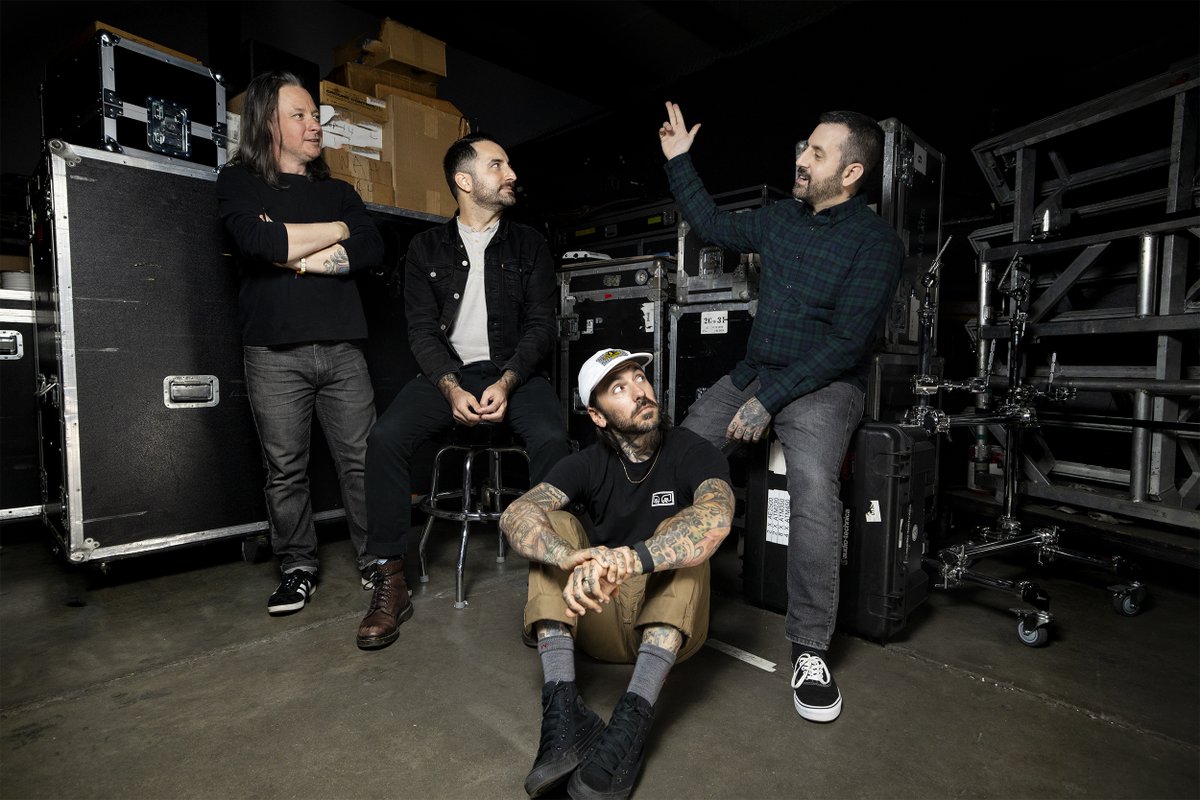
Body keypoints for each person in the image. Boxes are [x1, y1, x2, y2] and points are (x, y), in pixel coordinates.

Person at [657, 101, 905, 723]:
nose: (801, 159)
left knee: (813, 487)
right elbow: (711, 224)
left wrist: (769, 401)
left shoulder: (877, 243)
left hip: (826, 386)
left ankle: (811, 648)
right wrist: (679, 161)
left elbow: (848, 345)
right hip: (756, 372)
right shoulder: (781, 219)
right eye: (804, 148)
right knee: (677, 457)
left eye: (816, 153)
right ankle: (649, 586)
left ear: (850, 173)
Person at [355, 133, 571, 650]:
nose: (512, 173)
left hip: (513, 373)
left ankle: (549, 588)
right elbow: (422, 333)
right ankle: (390, 580)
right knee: (385, 439)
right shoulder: (426, 249)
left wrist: (508, 379)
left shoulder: (530, 244)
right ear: (465, 181)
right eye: (499, 165)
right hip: (447, 375)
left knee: (552, 439)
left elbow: (543, 325)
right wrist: (450, 387)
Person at [500, 347, 735, 800]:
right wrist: (568, 557)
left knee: (685, 536)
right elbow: (516, 513)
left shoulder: (692, 450)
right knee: (554, 528)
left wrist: (636, 556)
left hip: (670, 627)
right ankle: (564, 712)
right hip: (598, 614)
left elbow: (718, 516)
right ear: (598, 415)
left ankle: (632, 719)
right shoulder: (588, 462)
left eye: (639, 379)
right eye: (619, 388)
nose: (640, 392)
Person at [215, 71, 384, 615]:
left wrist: (293, 252)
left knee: (362, 463)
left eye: (316, 115)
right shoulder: (238, 182)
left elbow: (371, 248)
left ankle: (376, 561)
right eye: (302, 115)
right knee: (285, 469)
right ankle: (297, 567)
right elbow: (259, 240)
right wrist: (337, 231)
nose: (316, 124)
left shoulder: (340, 192)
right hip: (273, 354)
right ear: (269, 123)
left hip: (343, 350)